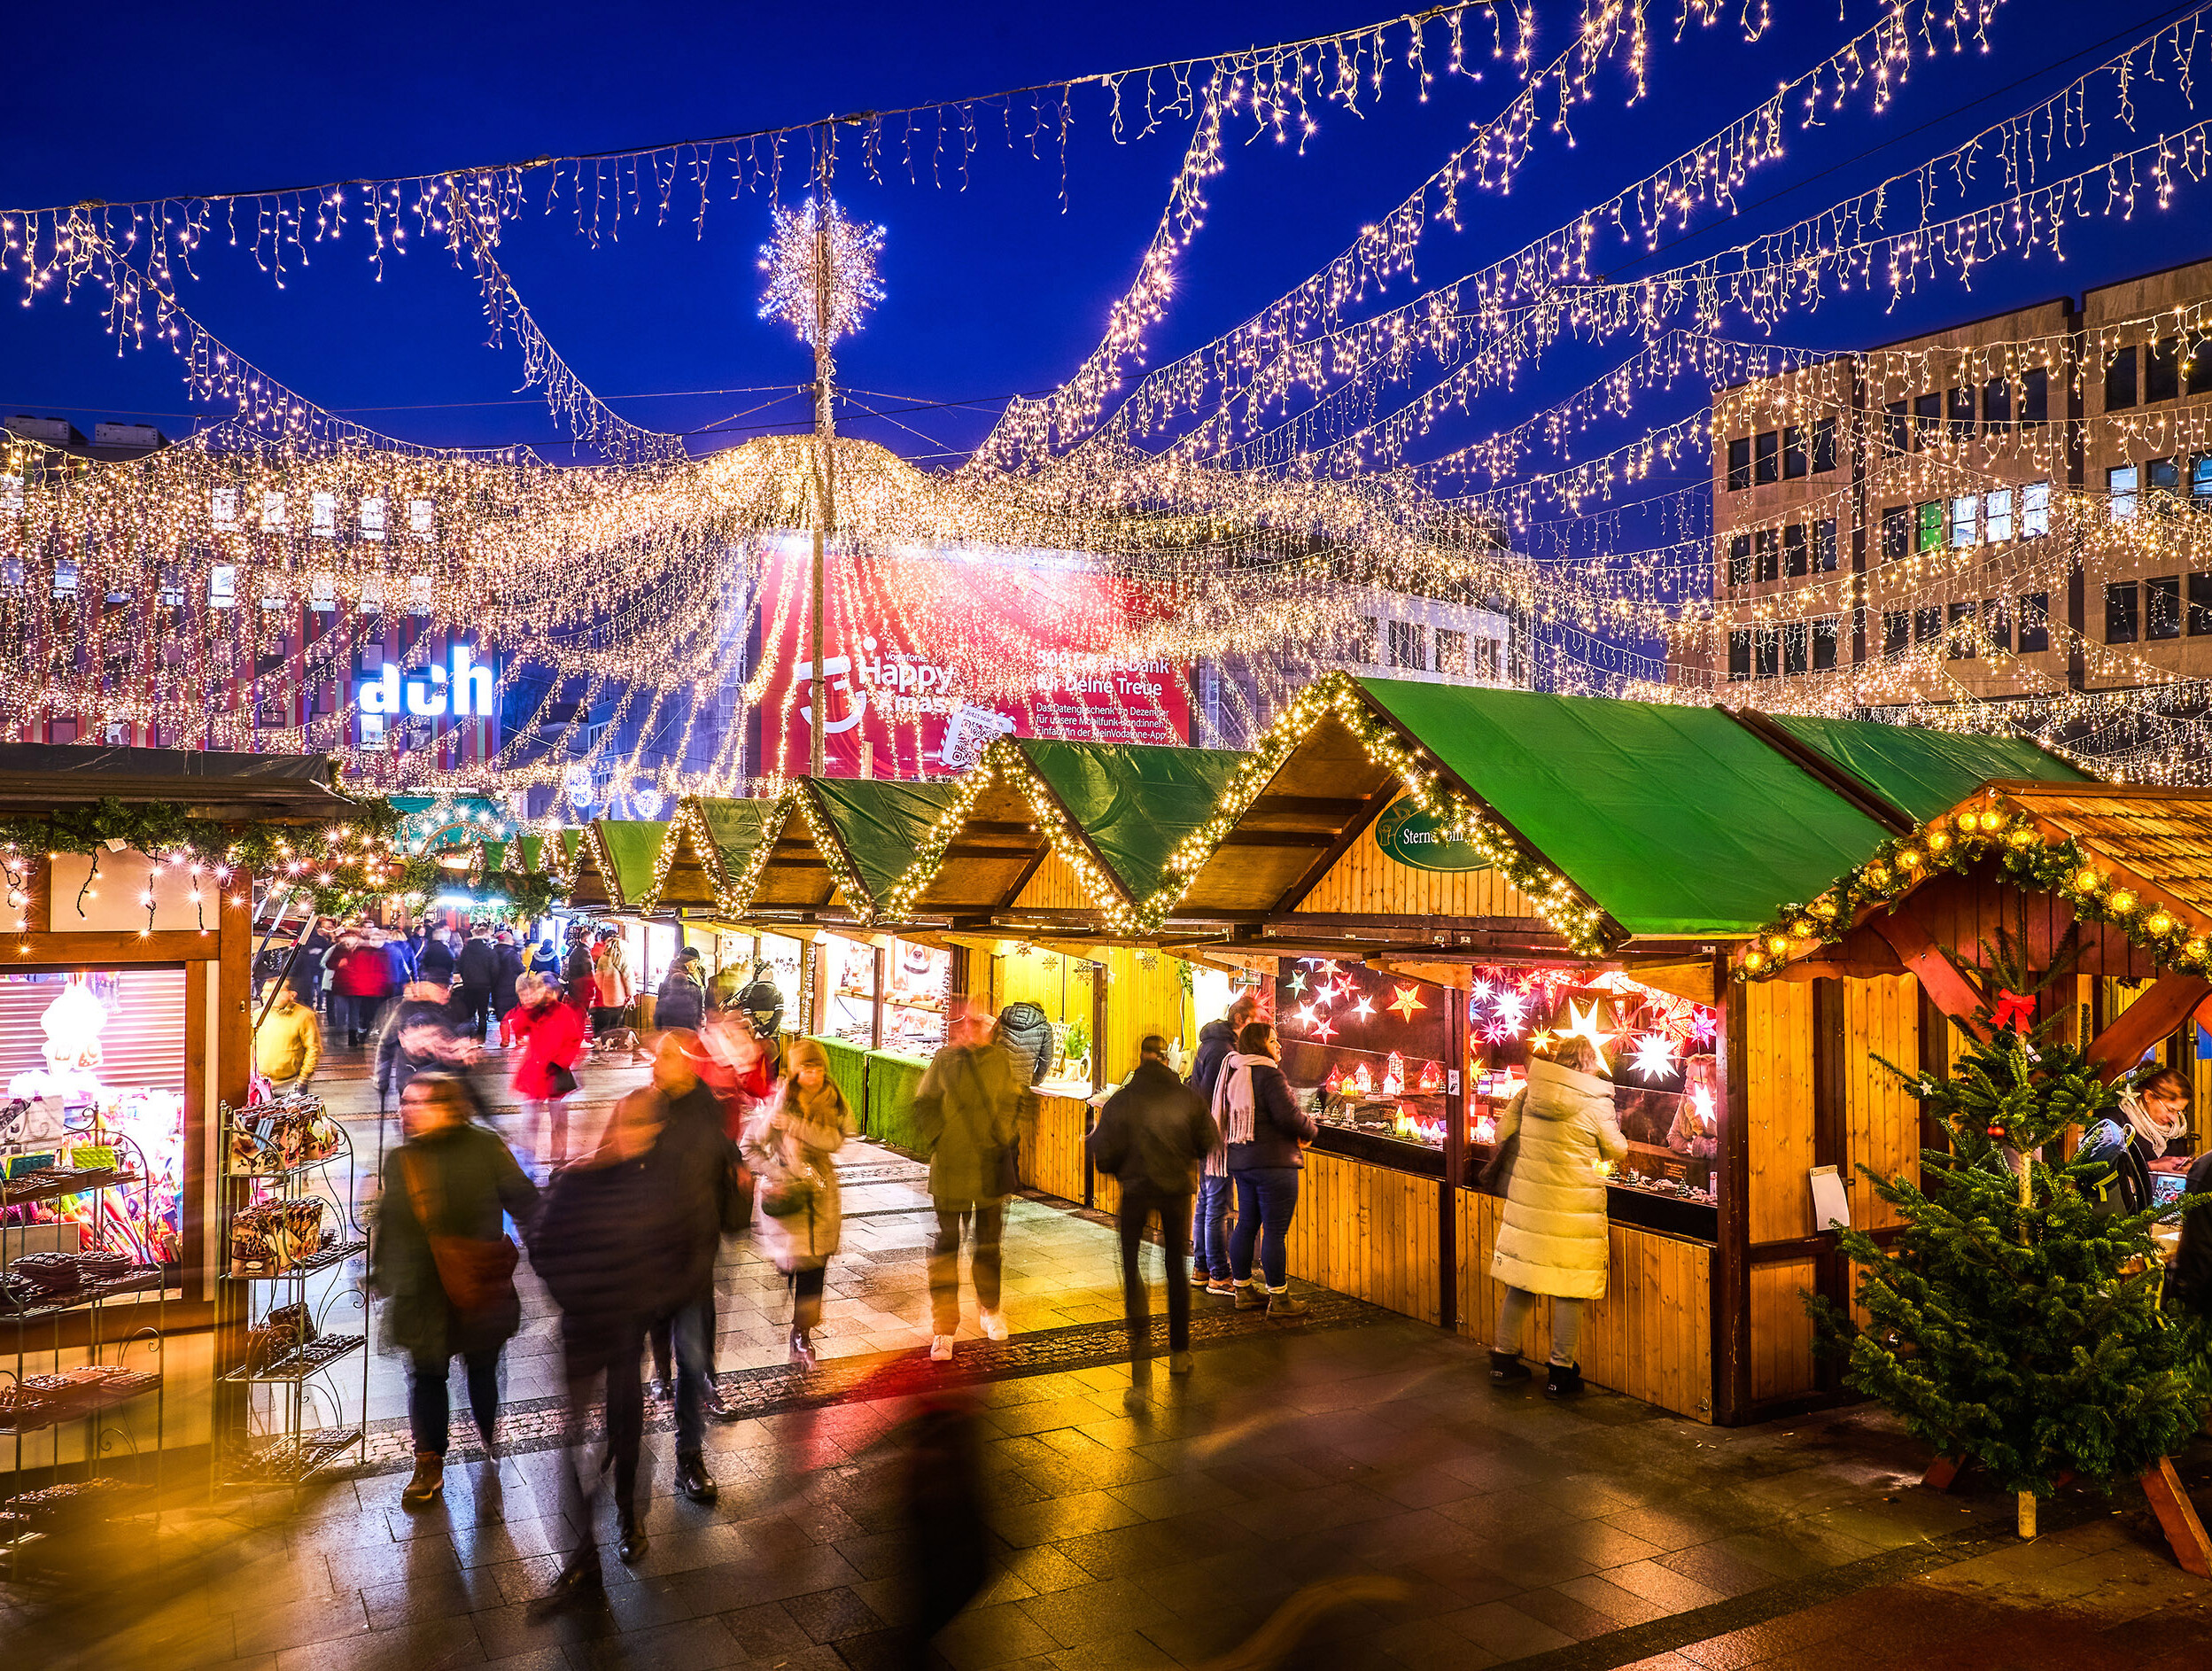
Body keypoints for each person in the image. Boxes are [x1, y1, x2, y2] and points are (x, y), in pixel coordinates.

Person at [529, 1088, 675, 1611]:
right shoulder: (579, 1178)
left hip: (626, 1328)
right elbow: (544, 1247)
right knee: (572, 1439)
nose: (636, 1138)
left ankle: (630, 1516)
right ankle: (584, 1552)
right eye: (630, 1126)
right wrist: (577, 1295)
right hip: (584, 1328)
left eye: (646, 1129)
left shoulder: (656, 1183)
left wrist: (650, 1302)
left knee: (627, 1426)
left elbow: (672, 1249)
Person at [370, 1072, 539, 1509]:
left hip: (475, 1288)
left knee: (482, 1370)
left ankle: (488, 1433)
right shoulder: (402, 1159)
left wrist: (548, 1249)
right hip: (422, 1291)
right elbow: (391, 1220)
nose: (406, 1111)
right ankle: (428, 1463)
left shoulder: (484, 1147)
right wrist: (383, 1274)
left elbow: (522, 1198)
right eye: (404, 1102)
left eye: (417, 1103)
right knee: (426, 1376)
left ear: (448, 1107)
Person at [1488, 1035, 1630, 1395]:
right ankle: (1560, 1371)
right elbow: (1617, 1149)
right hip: (1572, 1207)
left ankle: (1503, 1361)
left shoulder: (1529, 1091)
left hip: (1530, 1199)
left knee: (1521, 1280)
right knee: (1571, 1287)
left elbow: (1502, 1131)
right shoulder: (1596, 1100)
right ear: (1588, 1062)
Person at [1090, 1035, 1220, 1410]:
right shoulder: (1187, 1097)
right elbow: (1208, 1141)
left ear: (1142, 1058)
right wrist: (1183, 1158)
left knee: (1133, 1271)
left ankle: (1141, 1362)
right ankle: (1179, 1353)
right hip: (1177, 1191)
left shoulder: (1123, 1099)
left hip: (1135, 1190)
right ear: (1167, 1059)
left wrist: (1123, 1168)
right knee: (1176, 1271)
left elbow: (1102, 1153)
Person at [643, 1030, 739, 1500]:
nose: (659, 1061)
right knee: (641, 1351)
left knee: (693, 1356)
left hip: (694, 1257)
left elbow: (722, 1159)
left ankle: (689, 1458)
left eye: (669, 1054)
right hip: (647, 1257)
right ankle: (622, 1481)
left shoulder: (707, 1106)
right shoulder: (645, 1107)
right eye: (658, 1054)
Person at [912, 1006, 1026, 1363]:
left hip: (989, 1168)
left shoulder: (1001, 1062)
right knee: (947, 1248)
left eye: (982, 1025)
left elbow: (1012, 1103)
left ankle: (990, 1308)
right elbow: (924, 1103)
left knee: (989, 1246)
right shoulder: (944, 1061)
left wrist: (1002, 1134)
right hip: (950, 1168)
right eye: (970, 1024)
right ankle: (944, 1328)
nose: (975, 1030)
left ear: (991, 1030)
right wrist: (941, 1138)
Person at [745, 1037, 854, 1366]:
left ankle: (801, 1334)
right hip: (788, 1201)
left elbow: (832, 1140)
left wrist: (795, 1125)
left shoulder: (832, 1101)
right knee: (794, 1264)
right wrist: (774, 1174)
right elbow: (748, 1147)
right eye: (807, 1068)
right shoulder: (779, 1105)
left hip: (821, 1198)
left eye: (818, 1067)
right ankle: (798, 1316)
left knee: (815, 1267)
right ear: (794, 1072)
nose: (815, 1074)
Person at [1216, 1019, 1318, 1322]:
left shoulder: (1236, 1071)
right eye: (1274, 1041)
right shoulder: (1269, 1075)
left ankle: (1243, 1290)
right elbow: (1289, 1117)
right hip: (1275, 1164)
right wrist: (1310, 1128)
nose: (1279, 1046)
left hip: (1242, 1160)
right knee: (1275, 1231)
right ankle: (1279, 1296)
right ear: (1261, 1045)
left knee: (1247, 1223)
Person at [1190, 991, 1258, 1298]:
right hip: (1216, 1135)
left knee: (1207, 1202)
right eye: (1255, 1022)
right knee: (1217, 1203)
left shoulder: (1213, 1044)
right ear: (1239, 1020)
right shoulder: (1224, 1051)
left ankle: (1202, 1268)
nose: (1258, 1030)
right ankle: (1218, 1273)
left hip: (1205, 1133)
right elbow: (1221, 1099)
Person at [507, 972, 586, 1169]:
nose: (529, 998)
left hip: (556, 1074)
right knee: (532, 1122)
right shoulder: (532, 1012)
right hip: (535, 1074)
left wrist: (561, 1062)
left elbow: (574, 1040)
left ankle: (558, 1162)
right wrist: (527, 1008)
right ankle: (529, 1161)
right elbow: (518, 1028)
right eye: (523, 996)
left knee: (558, 1122)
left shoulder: (563, 1011)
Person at [376, 979, 466, 1108]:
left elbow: (458, 1046)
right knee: (412, 1120)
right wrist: (382, 1079)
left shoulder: (453, 1008)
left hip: (441, 1084)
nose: (446, 992)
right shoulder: (405, 1009)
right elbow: (386, 1044)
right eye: (441, 987)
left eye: (447, 987)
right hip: (410, 1083)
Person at [253, 978, 322, 1094]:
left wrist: (303, 1079)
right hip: (260, 1083)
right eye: (264, 990)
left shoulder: (304, 1016)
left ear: (291, 995)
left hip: (290, 1084)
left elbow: (313, 1049)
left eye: (272, 991)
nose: (263, 995)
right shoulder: (258, 1015)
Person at [329, 927, 391, 1049]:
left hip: (356, 986)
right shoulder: (339, 948)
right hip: (340, 985)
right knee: (341, 1011)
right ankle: (340, 1033)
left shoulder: (366, 950)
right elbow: (328, 964)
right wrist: (338, 964)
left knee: (354, 1011)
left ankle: (352, 1036)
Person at [592, 930, 645, 1061]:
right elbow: (628, 979)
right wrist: (631, 995)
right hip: (620, 999)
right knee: (618, 1025)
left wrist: (604, 988)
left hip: (606, 998)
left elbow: (597, 980)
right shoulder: (623, 959)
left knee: (605, 1024)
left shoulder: (603, 959)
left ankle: (604, 1047)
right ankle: (615, 1048)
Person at [453, 922, 500, 1044]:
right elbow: (495, 969)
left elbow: (460, 965)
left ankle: (468, 1034)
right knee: (483, 1011)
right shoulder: (489, 951)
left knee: (469, 1010)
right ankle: (481, 1037)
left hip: (469, 984)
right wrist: (492, 983)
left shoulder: (466, 950)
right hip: (484, 986)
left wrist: (465, 978)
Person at [655, 946, 710, 1033]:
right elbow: (665, 1002)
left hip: (693, 1023)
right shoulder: (674, 977)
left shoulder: (697, 976)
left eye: (697, 962)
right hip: (679, 1024)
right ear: (685, 962)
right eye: (693, 962)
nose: (696, 965)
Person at [291, 915, 335, 1010]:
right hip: (311, 969)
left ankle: (318, 1005)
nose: (328, 930)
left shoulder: (328, 940)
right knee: (313, 988)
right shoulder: (314, 939)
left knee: (319, 989)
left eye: (330, 928)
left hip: (319, 969)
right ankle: (314, 1006)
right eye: (327, 927)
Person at [491, 929, 525, 1044]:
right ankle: (519, 1039)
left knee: (503, 1017)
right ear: (509, 941)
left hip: (497, 988)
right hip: (512, 987)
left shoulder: (493, 952)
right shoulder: (512, 953)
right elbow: (520, 969)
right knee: (517, 1015)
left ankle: (505, 1040)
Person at [418, 925, 456, 991]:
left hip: (432, 974)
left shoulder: (429, 948)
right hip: (444, 974)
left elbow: (425, 961)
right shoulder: (446, 949)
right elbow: (451, 961)